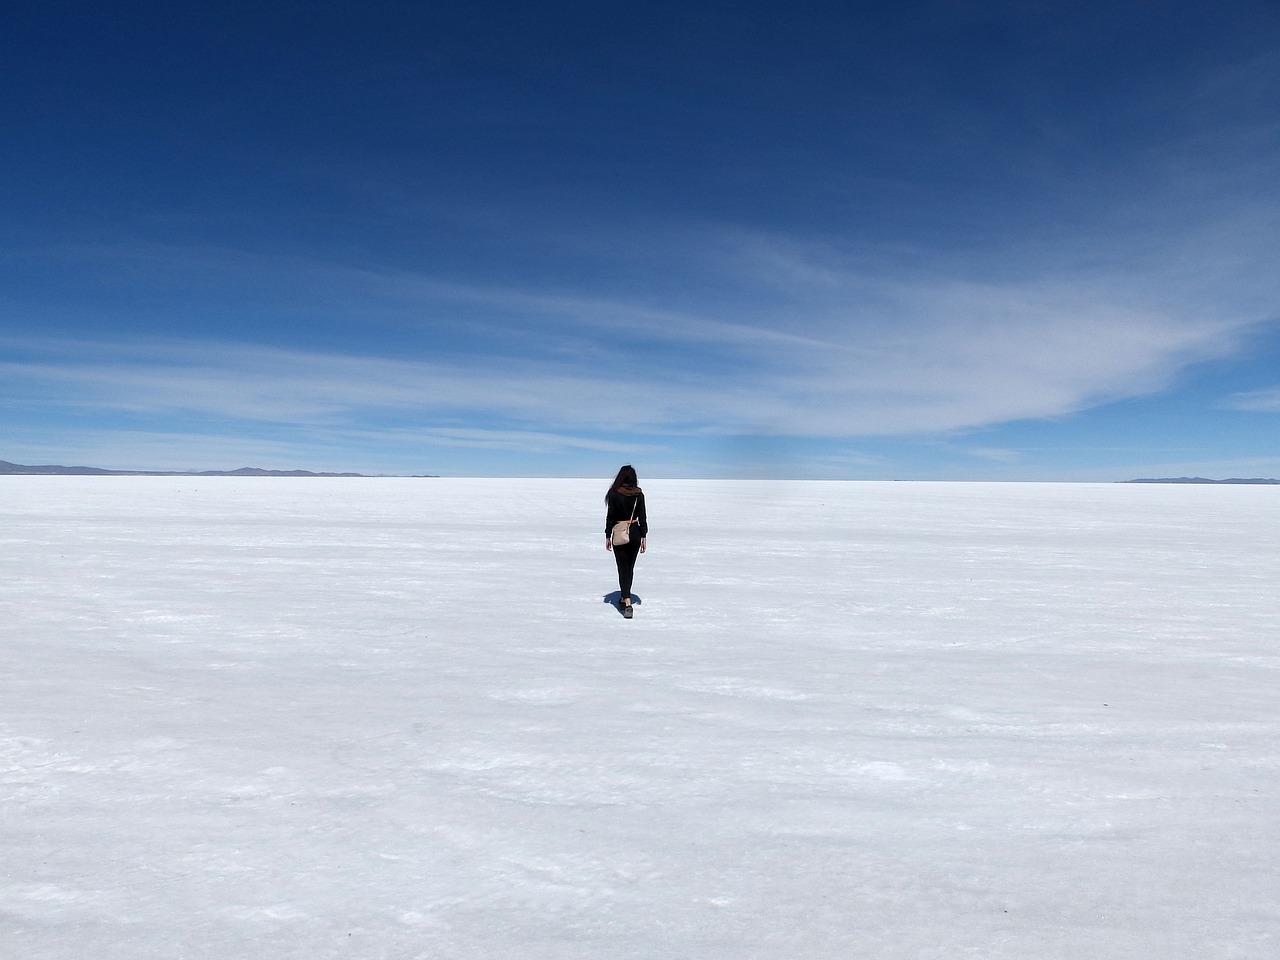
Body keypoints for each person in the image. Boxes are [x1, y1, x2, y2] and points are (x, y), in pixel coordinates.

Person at [605, 464, 647, 618]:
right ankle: (624, 596)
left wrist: (607, 535)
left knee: (623, 568)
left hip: (620, 532)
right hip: (635, 532)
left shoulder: (614, 493)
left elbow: (610, 516)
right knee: (629, 567)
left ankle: (627, 602)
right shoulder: (638, 494)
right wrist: (643, 536)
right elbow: (642, 517)